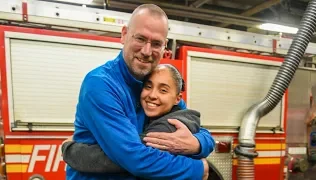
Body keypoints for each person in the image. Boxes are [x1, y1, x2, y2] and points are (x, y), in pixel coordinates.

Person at [66, 3, 215, 180]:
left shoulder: (153, 80)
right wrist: (199, 169)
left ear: (164, 47)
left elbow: (192, 123)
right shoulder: (100, 84)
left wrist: (198, 144)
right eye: (140, 39)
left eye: (156, 43)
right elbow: (134, 157)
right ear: (124, 35)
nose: (146, 51)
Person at [63, 64, 223, 180]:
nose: (153, 95)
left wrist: (71, 150)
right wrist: (200, 142)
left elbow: (125, 156)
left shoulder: (170, 125)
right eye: (148, 86)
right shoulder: (163, 113)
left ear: (177, 99)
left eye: (163, 90)